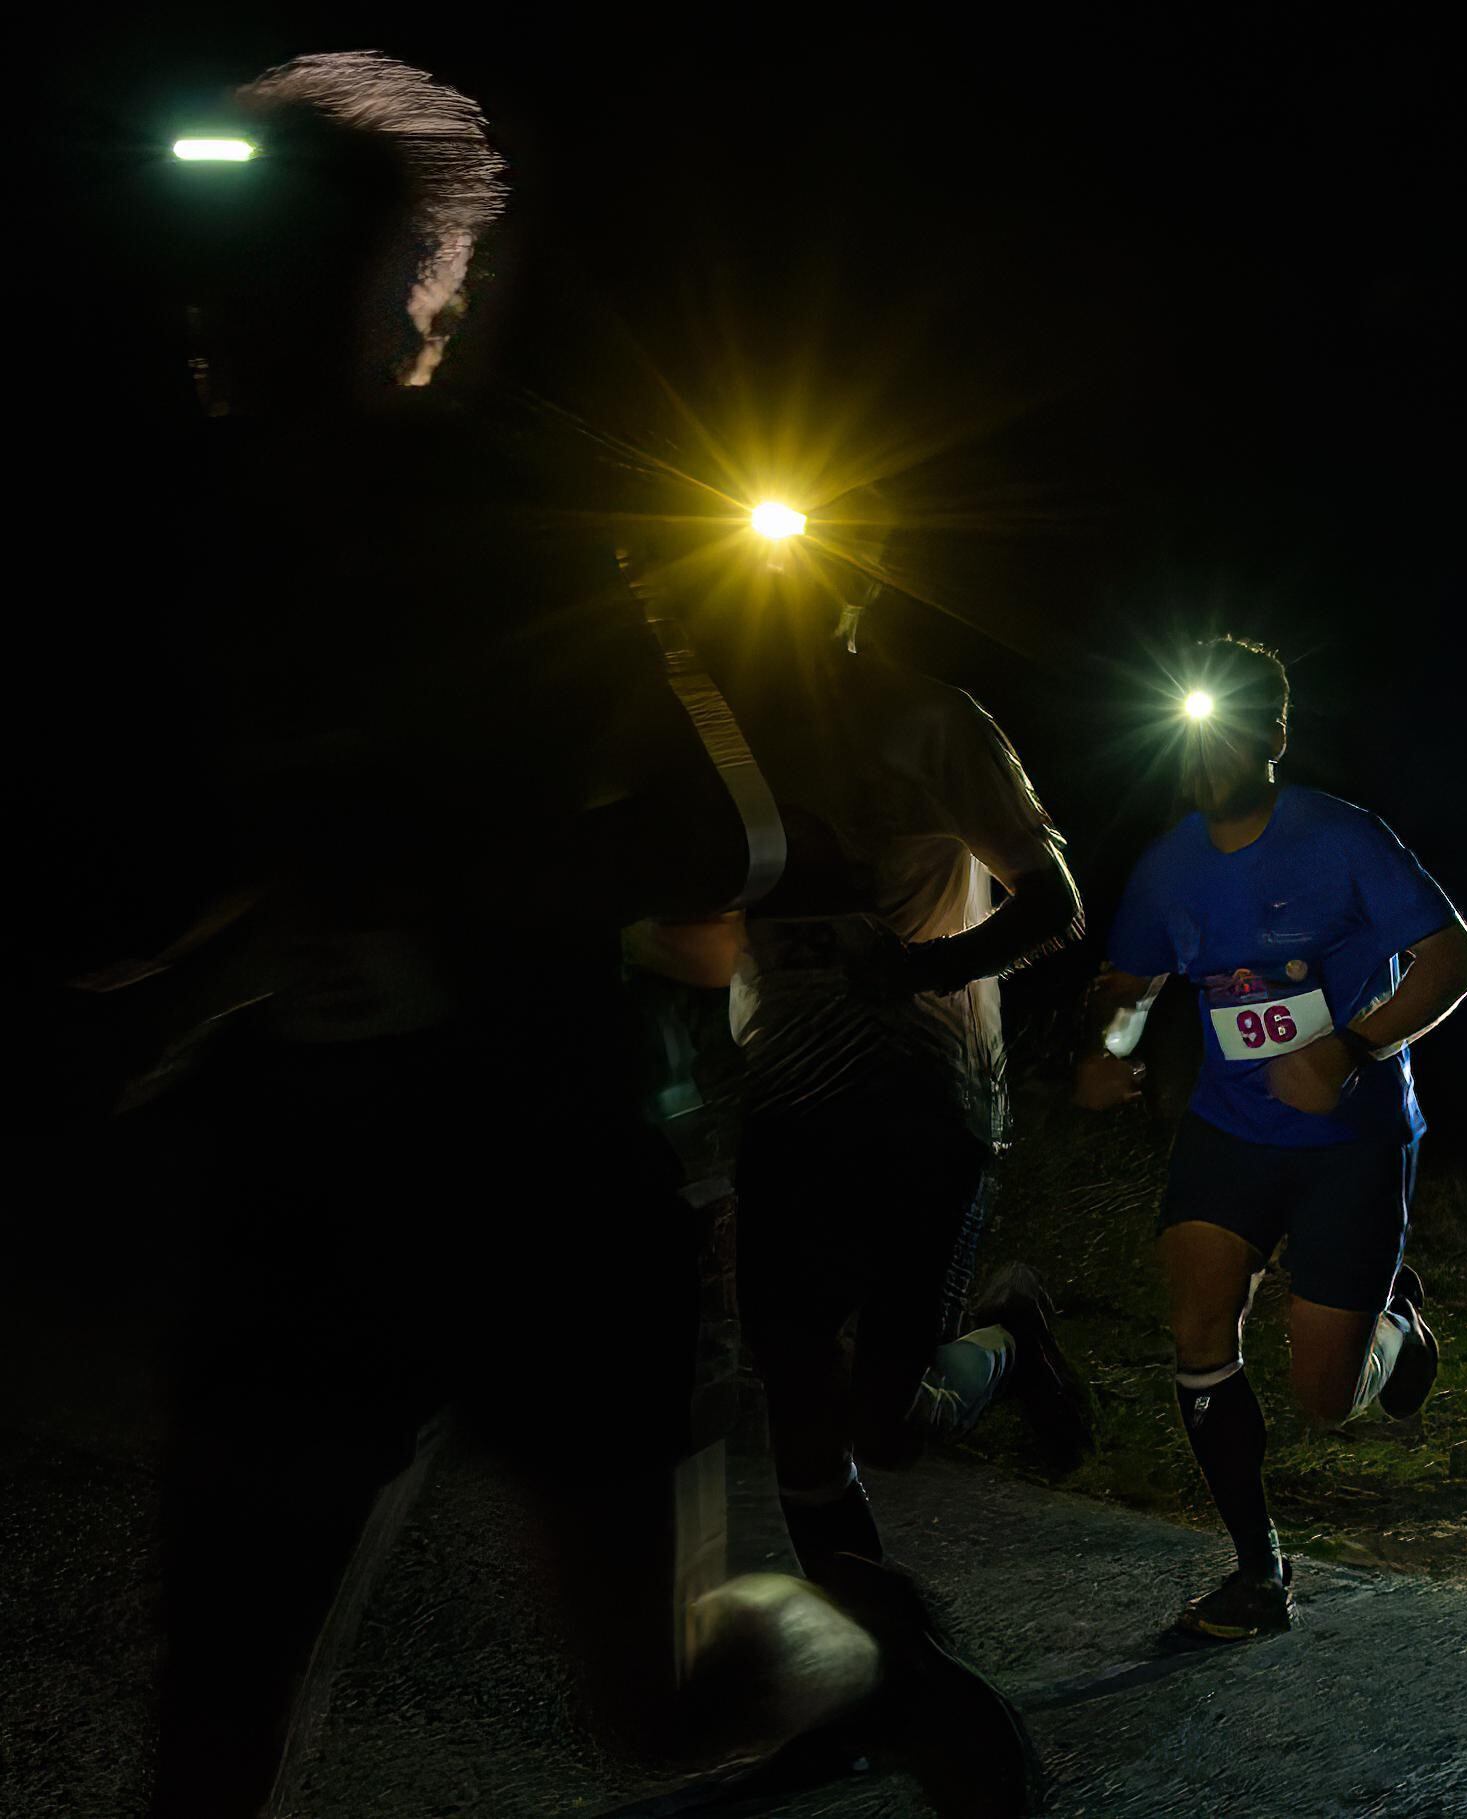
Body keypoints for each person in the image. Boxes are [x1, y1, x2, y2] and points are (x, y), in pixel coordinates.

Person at [110, 55, 1036, 1818]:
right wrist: (185, 968)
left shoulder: (496, 518)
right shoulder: (202, 533)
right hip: (305, 1192)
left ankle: (873, 1661)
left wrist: (442, 884)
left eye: (308, 259)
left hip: (541, 1184)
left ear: (409, 290)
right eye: (229, 260)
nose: (237, 307)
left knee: (660, 1698)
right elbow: (227, 853)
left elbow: (732, 830)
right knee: (207, 1721)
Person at [658, 557, 1092, 1585]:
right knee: (798, 1392)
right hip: (786, 1105)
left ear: (847, 607)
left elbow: (1052, 901)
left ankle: (1008, 1341)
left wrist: (918, 970)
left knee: (888, 1423)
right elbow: (712, 944)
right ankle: (871, 1657)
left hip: (925, 1103)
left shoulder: (929, 722)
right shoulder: (718, 754)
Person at [1073, 636, 1467, 1639]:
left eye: (1220, 732)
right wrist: (1107, 1046)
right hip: (1230, 1133)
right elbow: (1128, 986)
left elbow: (1454, 959)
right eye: (1184, 735)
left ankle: (1399, 1328)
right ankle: (1257, 1573)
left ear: (1273, 736)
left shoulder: (1341, 838)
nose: (1198, 756)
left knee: (1323, 1400)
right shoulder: (1167, 866)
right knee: (1199, 1332)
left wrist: (1348, 1047)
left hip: (1352, 1141)